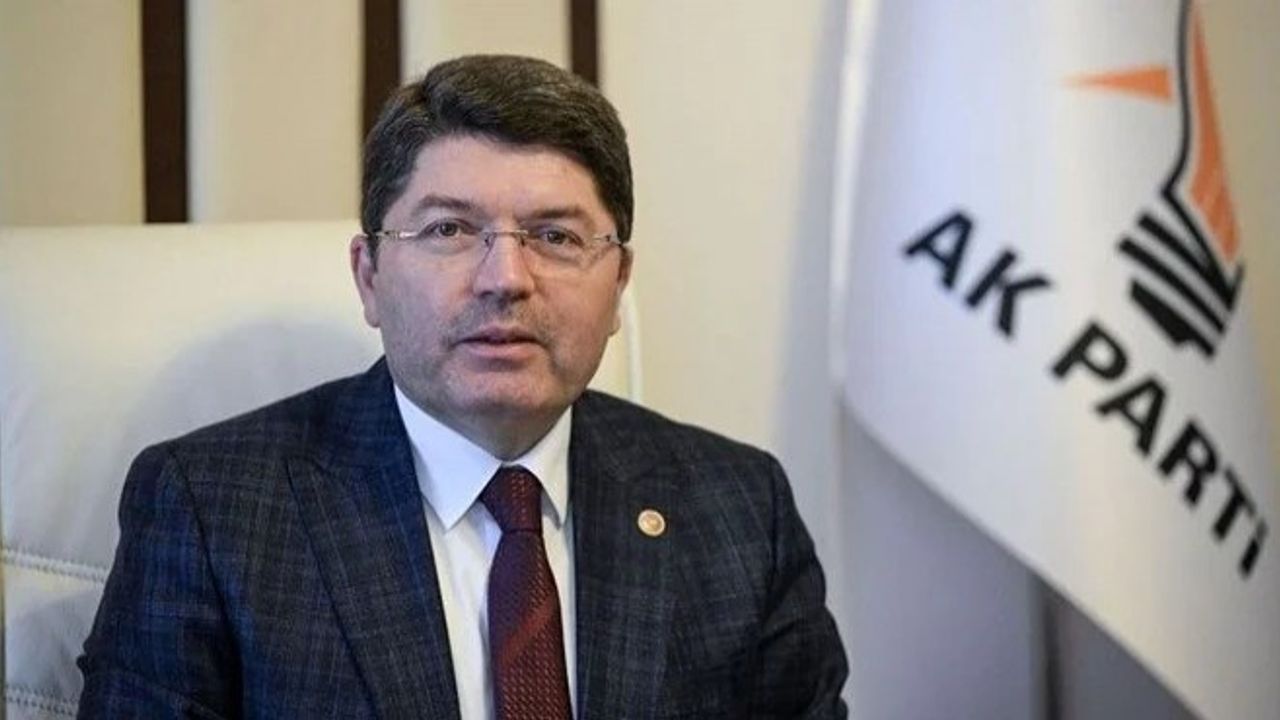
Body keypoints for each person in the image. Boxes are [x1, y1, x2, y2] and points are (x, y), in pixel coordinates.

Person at [78, 54, 847, 719]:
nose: (505, 278)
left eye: (555, 236)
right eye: (448, 230)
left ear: (618, 285)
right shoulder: (212, 511)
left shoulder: (741, 510)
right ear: (370, 277)